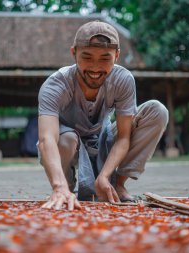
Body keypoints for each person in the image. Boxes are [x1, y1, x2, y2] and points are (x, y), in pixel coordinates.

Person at [38, 20, 168, 211]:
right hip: (68, 144)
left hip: (102, 138)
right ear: (74, 53)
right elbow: (46, 138)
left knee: (157, 111)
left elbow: (123, 137)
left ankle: (117, 184)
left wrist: (105, 175)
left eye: (105, 58)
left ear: (117, 55)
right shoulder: (56, 85)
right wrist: (58, 186)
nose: (95, 67)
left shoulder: (123, 80)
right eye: (87, 57)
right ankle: (65, 188)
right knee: (67, 139)